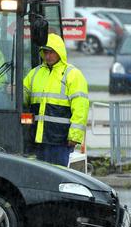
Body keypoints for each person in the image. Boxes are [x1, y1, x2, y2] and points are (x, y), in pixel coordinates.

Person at [23, 33, 89, 166]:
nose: (48, 56)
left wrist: (75, 136)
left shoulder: (73, 75)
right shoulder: (35, 73)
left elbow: (80, 108)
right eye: (45, 52)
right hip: (38, 138)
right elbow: (23, 98)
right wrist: (12, 91)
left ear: (59, 52)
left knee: (58, 179)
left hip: (61, 140)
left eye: (51, 52)